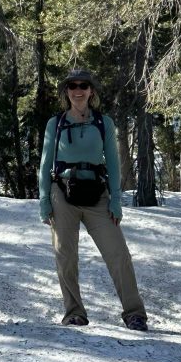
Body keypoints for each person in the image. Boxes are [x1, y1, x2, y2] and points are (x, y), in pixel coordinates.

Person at [38, 69, 148, 330]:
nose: (78, 90)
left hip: (97, 193)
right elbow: (44, 164)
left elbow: (113, 163)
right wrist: (44, 201)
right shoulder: (56, 123)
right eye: (72, 86)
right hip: (62, 192)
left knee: (118, 253)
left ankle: (134, 313)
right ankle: (74, 313)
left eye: (83, 86)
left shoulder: (103, 123)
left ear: (91, 91)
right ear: (66, 91)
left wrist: (115, 200)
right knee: (65, 256)